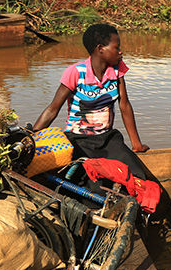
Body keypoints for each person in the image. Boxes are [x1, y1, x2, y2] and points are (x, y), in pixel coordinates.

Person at [34, 23, 149, 180]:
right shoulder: (75, 72)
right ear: (101, 49)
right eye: (117, 47)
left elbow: (125, 106)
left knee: (136, 176)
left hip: (107, 138)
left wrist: (136, 144)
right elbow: (53, 109)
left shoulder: (117, 70)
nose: (121, 52)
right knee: (90, 182)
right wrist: (31, 138)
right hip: (78, 140)